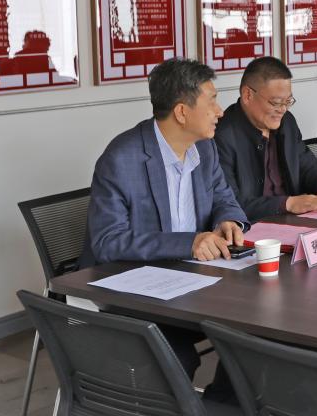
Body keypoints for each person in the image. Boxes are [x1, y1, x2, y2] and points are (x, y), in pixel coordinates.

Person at [79, 58, 250, 388]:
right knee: (180, 353)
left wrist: (229, 221)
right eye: (212, 101)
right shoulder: (122, 158)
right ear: (182, 112)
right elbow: (108, 242)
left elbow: (225, 198)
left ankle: (222, 403)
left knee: (257, 331)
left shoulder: (206, 149)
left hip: (194, 280)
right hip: (135, 291)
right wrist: (189, 243)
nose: (220, 112)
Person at [214, 57, 317, 222]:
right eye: (276, 102)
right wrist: (288, 203)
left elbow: (307, 165)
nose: (283, 109)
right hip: (252, 228)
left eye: (288, 101)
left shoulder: (287, 122)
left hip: (295, 221)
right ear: (247, 95)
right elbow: (228, 203)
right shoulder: (221, 135)